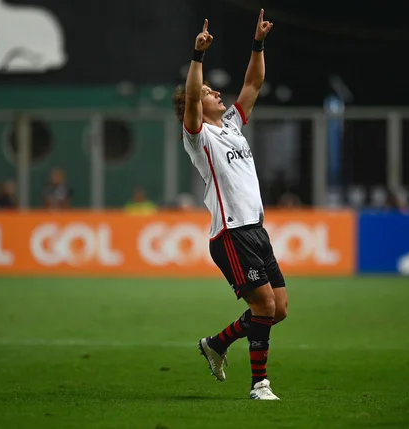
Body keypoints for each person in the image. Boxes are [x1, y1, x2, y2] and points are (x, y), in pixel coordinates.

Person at [173, 10, 287, 400]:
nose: (215, 94)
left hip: (256, 229)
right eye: (209, 93)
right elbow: (191, 95)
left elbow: (253, 81)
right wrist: (198, 56)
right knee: (266, 306)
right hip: (230, 233)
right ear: (197, 106)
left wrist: (258, 43)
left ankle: (216, 344)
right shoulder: (198, 136)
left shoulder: (233, 126)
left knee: (279, 308)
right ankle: (260, 385)